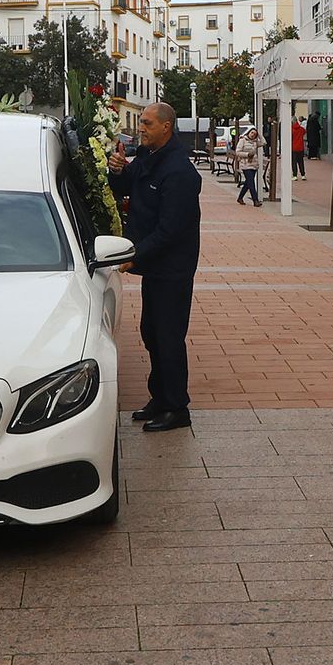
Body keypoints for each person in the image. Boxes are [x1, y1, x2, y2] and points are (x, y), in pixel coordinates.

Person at [107, 102, 201, 433]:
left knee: (168, 336)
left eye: (147, 123)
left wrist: (136, 256)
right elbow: (125, 187)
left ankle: (177, 407)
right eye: (141, 123)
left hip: (172, 268)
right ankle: (159, 398)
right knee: (152, 333)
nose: (141, 128)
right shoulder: (150, 156)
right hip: (155, 265)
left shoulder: (179, 172)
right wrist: (118, 170)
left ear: (166, 127)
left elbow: (170, 229)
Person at [233, 126, 263, 206]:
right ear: (248, 133)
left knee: (248, 183)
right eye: (252, 133)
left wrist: (259, 135)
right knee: (251, 183)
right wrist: (247, 154)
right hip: (245, 165)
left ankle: (240, 198)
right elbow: (237, 152)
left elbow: (264, 142)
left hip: (254, 165)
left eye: (255, 134)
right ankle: (255, 200)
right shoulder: (242, 140)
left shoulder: (255, 142)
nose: (253, 135)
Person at [290, 116, 307, 181]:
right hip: (300, 147)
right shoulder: (301, 129)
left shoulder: (291, 129)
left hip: (293, 147)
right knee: (301, 161)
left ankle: (295, 175)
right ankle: (303, 175)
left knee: (294, 162)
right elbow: (304, 132)